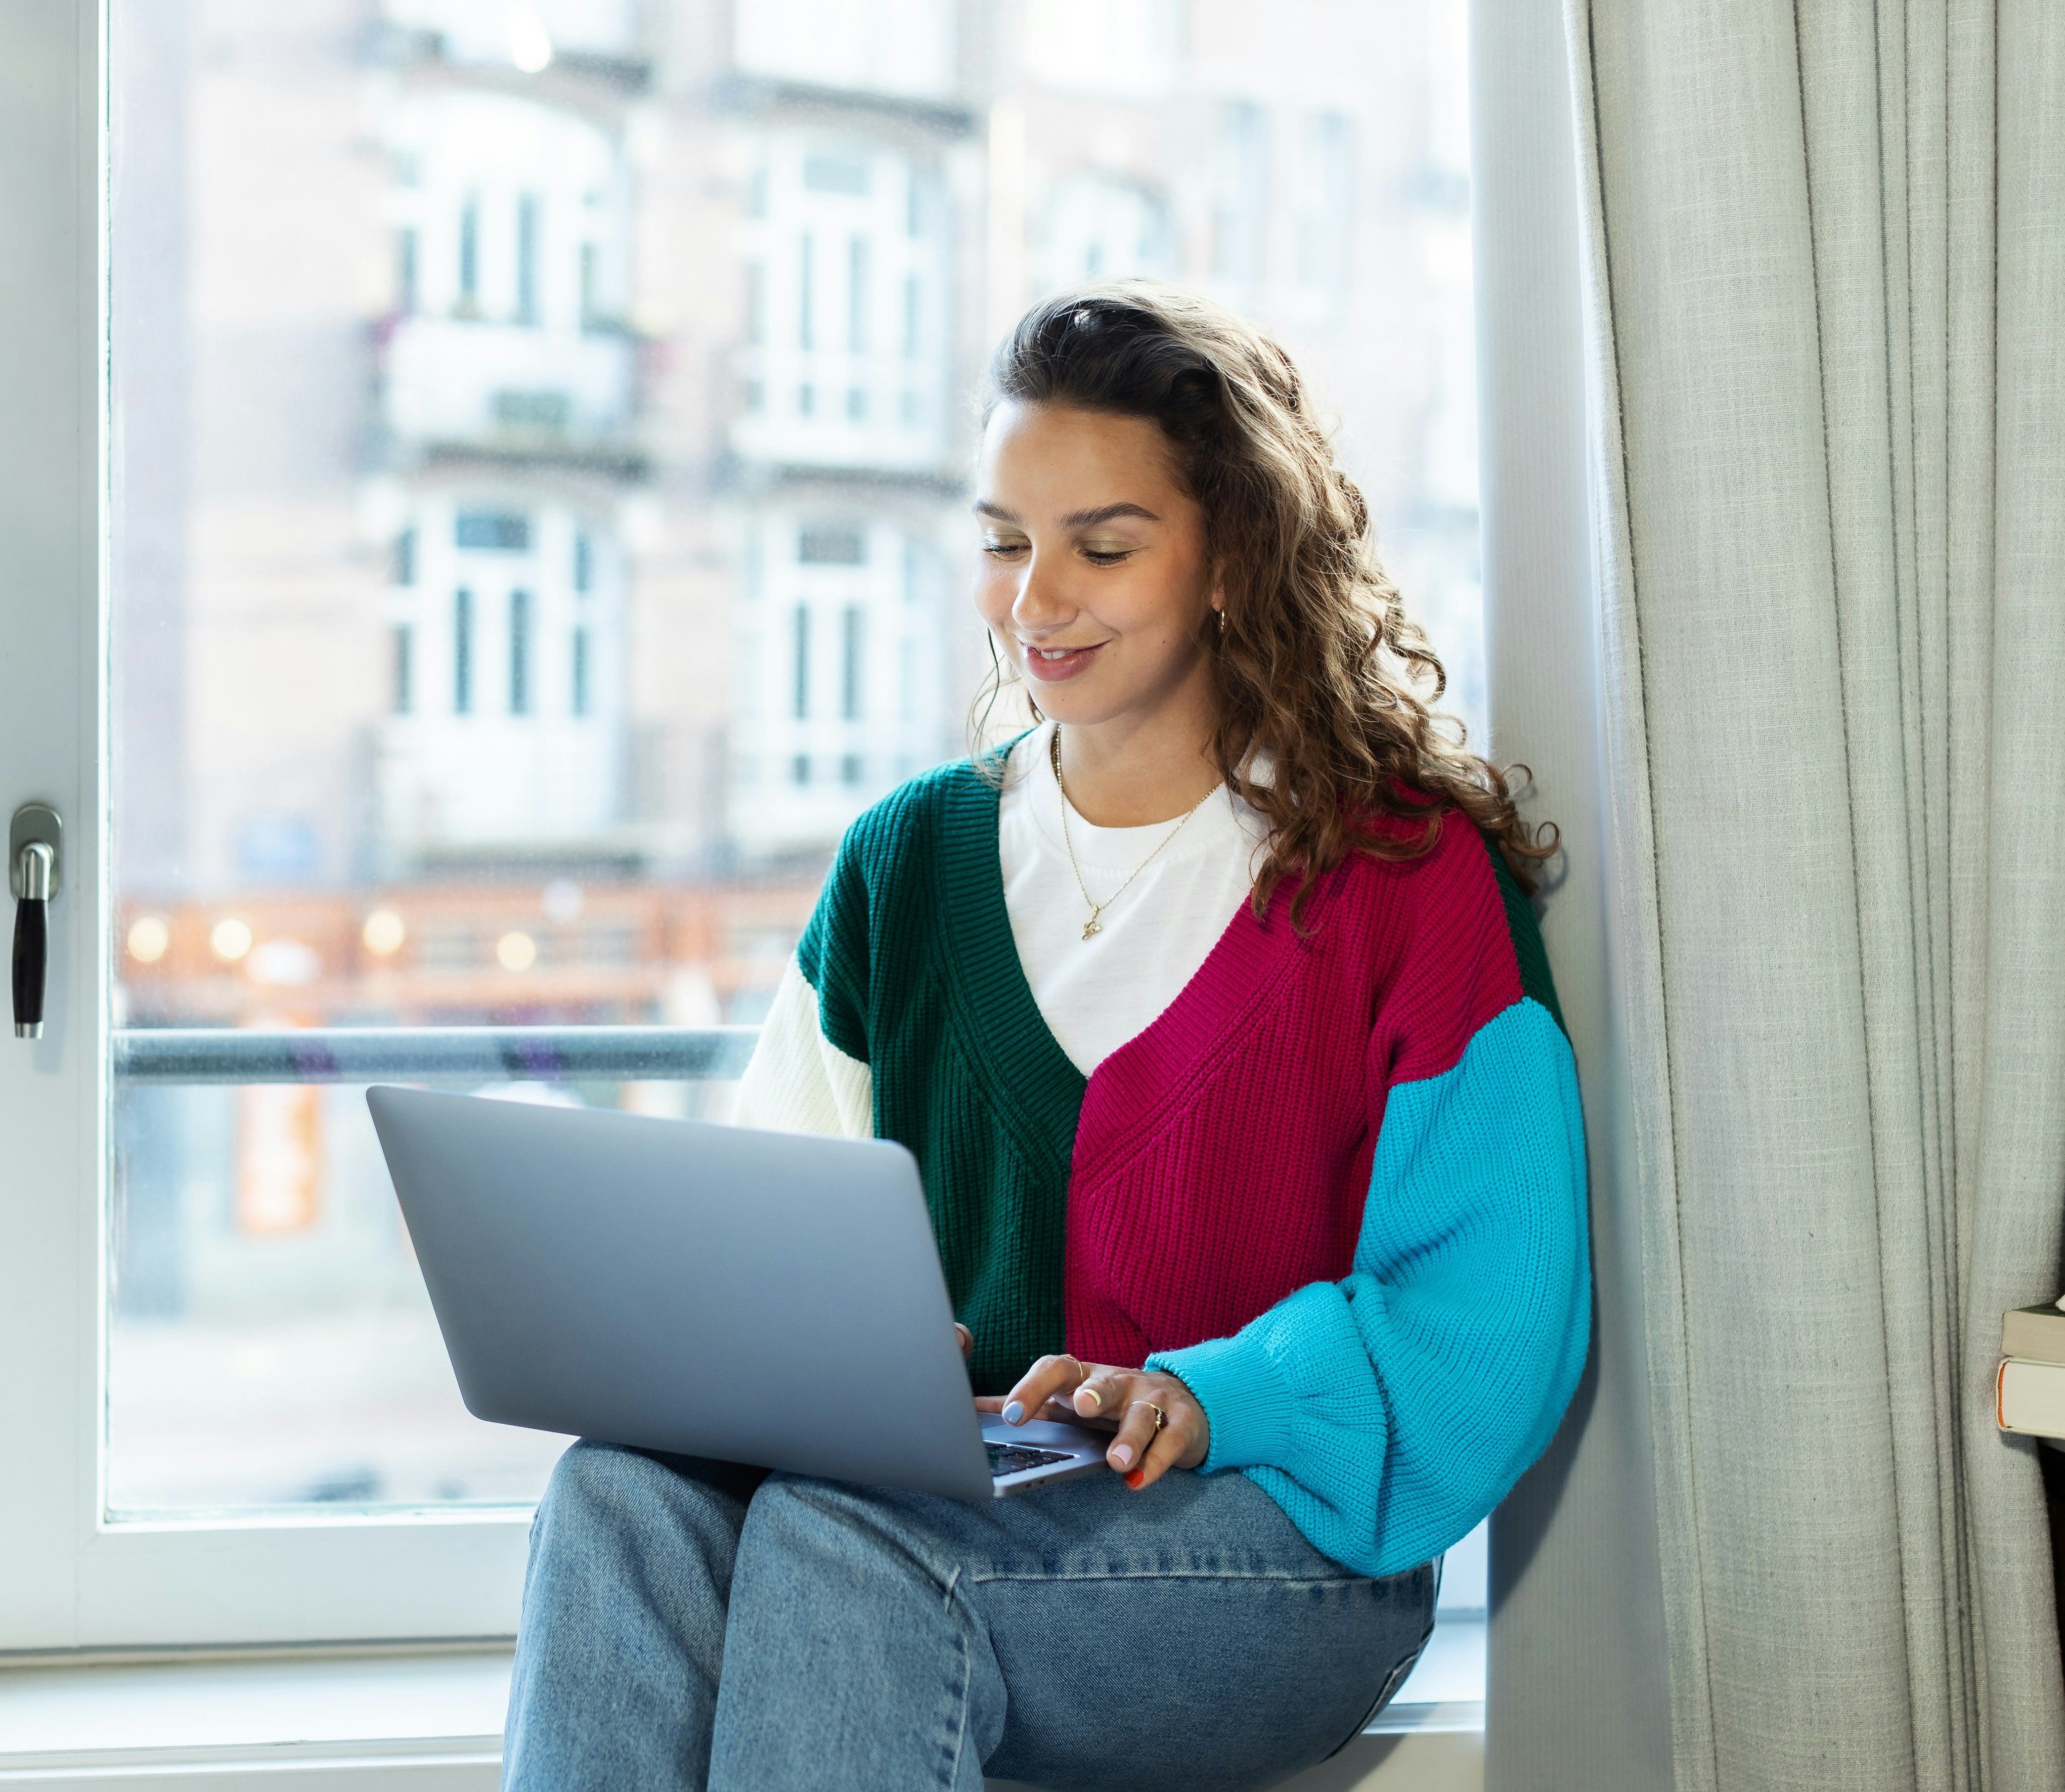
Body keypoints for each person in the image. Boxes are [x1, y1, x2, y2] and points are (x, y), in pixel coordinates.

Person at [501, 282, 1591, 1792]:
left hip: (1280, 1550)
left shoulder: (1398, 879)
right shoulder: (902, 862)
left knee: (840, 1548)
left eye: (1103, 545)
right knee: (618, 1498)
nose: (1034, 598)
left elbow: (1487, 1310)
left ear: (1230, 558)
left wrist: (1220, 1392)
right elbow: (772, 1224)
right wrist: (837, 1350)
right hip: (943, 1497)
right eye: (1005, 541)